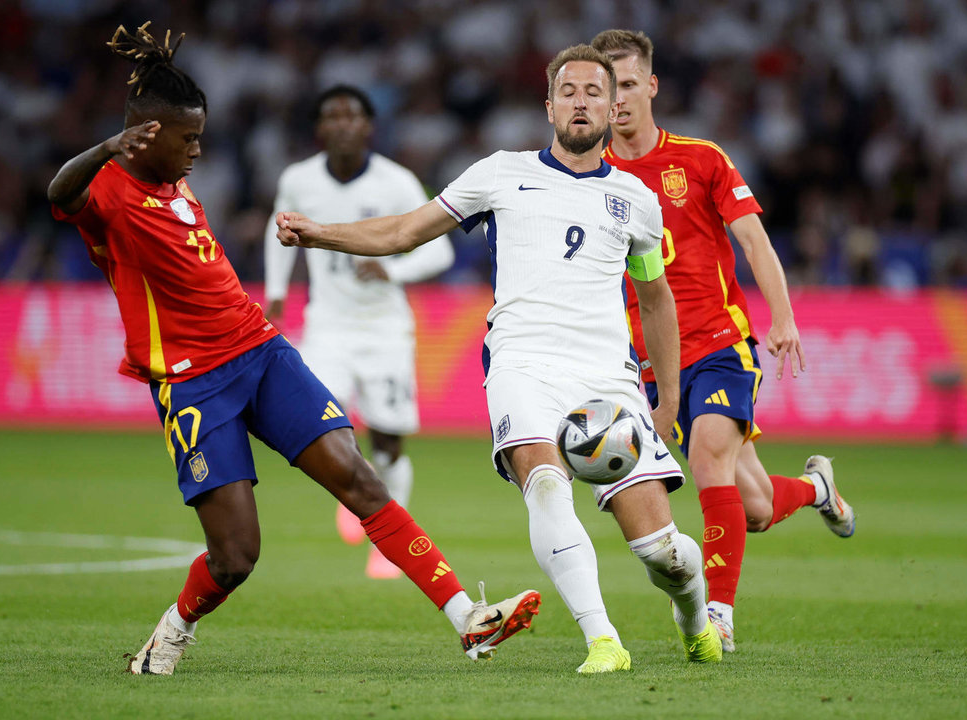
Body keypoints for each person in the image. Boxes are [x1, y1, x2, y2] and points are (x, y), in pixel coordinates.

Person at [47, 22, 539, 676]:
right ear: (147, 135)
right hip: (194, 383)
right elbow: (58, 193)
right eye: (188, 138)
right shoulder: (109, 191)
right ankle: (172, 631)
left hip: (261, 352)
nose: (198, 150)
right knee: (236, 557)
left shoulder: (173, 179)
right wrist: (107, 146)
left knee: (361, 479)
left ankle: (467, 618)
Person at [277, 44, 723, 673]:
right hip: (521, 363)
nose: (581, 102)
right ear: (548, 106)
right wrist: (320, 232)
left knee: (660, 552)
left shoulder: (636, 201)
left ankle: (694, 617)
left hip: (607, 381)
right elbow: (405, 231)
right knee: (544, 486)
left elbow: (655, 302)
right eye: (568, 91)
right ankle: (604, 640)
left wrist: (669, 397)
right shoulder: (499, 173)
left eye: (595, 92)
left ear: (614, 105)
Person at [591, 29, 856, 653]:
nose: (619, 99)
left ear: (651, 86)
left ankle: (719, 615)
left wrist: (782, 318)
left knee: (710, 457)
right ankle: (818, 488)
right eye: (608, 88)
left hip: (718, 342)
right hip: (654, 361)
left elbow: (755, 242)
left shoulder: (700, 158)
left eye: (629, 84)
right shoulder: (591, 173)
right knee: (756, 507)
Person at [265, 85, 455, 579]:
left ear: (369, 127)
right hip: (327, 326)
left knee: (389, 441)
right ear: (320, 128)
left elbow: (440, 250)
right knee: (324, 424)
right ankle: (357, 498)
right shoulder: (298, 178)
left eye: (353, 116)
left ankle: (388, 544)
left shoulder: (397, 182)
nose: (344, 123)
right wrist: (278, 289)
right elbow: (278, 226)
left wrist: (393, 270)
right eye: (333, 116)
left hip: (385, 330)